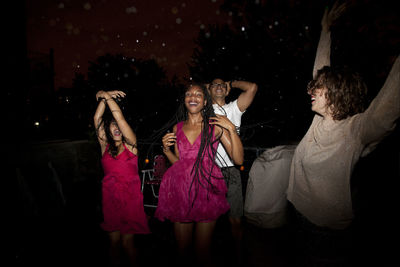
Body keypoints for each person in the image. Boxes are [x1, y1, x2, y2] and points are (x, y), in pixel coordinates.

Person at [286, 1, 400, 266]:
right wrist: (325, 30)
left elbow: (388, 104)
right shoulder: (318, 120)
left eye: (319, 87)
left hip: (325, 234)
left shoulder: (356, 130)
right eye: (313, 86)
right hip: (297, 217)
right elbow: (320, 68)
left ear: (337, 94)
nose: (311, 89)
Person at [154, 83, 244, 267]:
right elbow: (179, 162)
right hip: (182, 191)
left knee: (203, 251)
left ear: (205, 102)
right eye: (188, 94)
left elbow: (239, 159)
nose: (192, 97)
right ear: (185, 100)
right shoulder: (177, 128)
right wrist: (165, 149)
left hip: (206, 189)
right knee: (182, 250)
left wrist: (231, 129)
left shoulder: (214, 125)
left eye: (198, 94)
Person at [94, 90, 151, 267]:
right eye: (112, 125)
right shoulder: (105, 146)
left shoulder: (131, 146)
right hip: (110, 199)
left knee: (128, 244)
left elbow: (120, 118)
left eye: (118, 124)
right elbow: (97, 119)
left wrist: (107, 97)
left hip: (130, 200)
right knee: (114, 244)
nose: (117, 127)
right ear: (108, 129)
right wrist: (104, 97)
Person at [207, 78, 257, 261]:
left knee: (235, 218)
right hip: (209, 171)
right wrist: (207, 87)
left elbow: (252, 87)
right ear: (209, 90)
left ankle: (238, 254)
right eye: (215, 84)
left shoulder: (234, 108)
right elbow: (191, 92)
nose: (219, 86)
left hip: (231, 170)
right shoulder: (204, 110)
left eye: (222, 85)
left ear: (226, 90)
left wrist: (231, 83)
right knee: (208, 218)